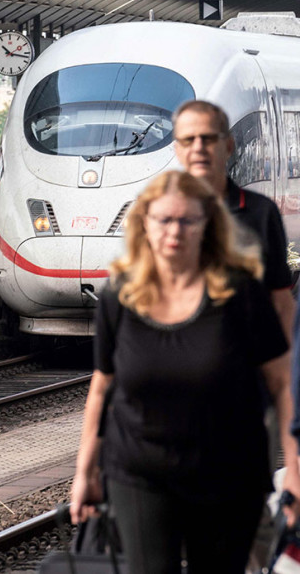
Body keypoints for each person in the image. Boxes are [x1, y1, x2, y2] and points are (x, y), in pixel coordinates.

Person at [69, 171, 300, 573]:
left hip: (229, 473)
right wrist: (85, 471)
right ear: (144, 223)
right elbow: (102, 386)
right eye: (163, 220)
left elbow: (282, 384)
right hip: (140, 472)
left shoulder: (241, 294)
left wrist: (294, 471)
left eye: (187, 220)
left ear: (208, 224)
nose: (174, 231)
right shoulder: (120, 296)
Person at [173, 99, 294, 336]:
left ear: (228, 146)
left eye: (208, 138)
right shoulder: (156, 212)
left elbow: (281, 298)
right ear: (177, 150)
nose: (198, 147)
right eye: (188, 139)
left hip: (245, 360)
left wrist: (283, 365)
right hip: (175, 358)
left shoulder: (261, 212)